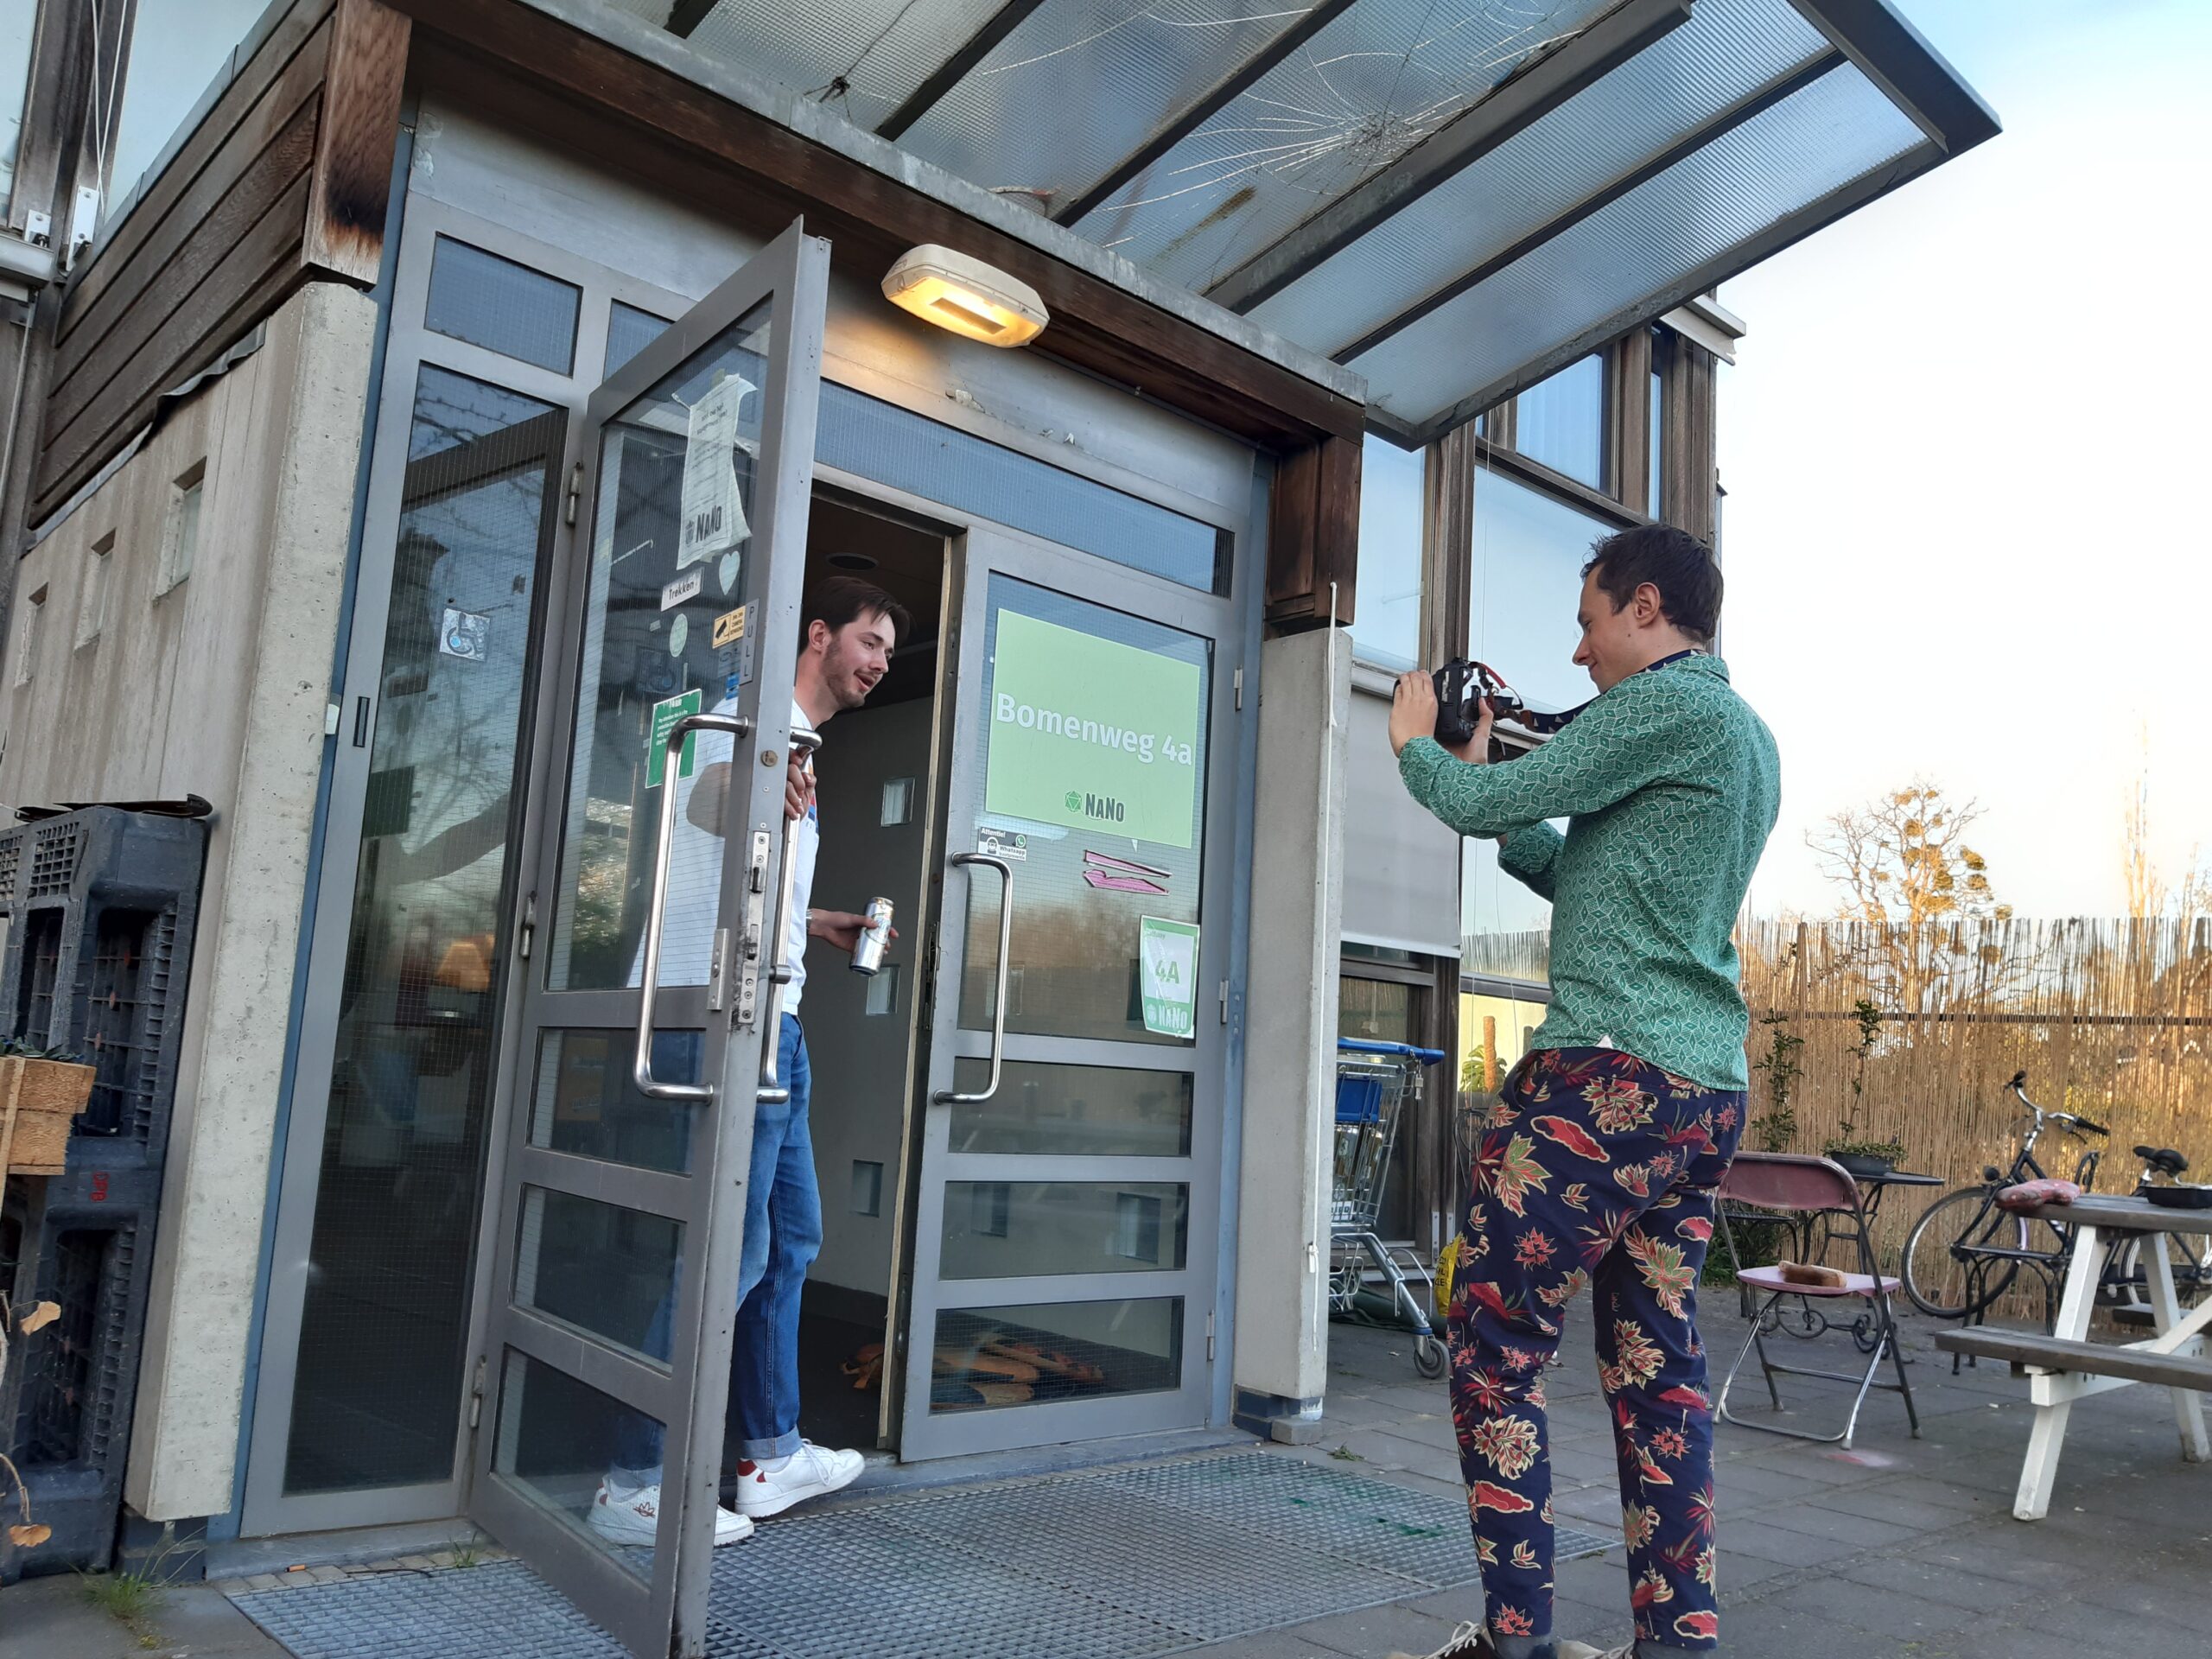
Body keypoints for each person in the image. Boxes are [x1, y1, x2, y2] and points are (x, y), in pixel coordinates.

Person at [1382, 525, 1779, 1659]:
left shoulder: (1667, 706)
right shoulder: (1745, 738)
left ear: (1646, 605)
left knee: (1495, 1343)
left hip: (1601, 1087)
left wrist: (1421, 747)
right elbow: (1590, 876)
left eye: (1588, 620)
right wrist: (1493, 788)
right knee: (1659, 1375)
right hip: (1698, 1092)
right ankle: (1678, 1645)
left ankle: (1515, 1644)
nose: (1578, 653)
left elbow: (1462, 802)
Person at [592, 575, 911, 1548]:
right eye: (868, 640)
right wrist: (764, 775)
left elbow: (733, 876)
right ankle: (630, 1481)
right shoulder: (750, 727)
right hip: (726, 1022)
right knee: (731, 1252)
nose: (878, 663)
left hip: (779, 1018)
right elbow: (710, 801)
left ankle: (768, 1455)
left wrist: (811, 923)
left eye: (890, 654)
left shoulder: (795, 750)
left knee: (790, 1242)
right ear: (817, 635)